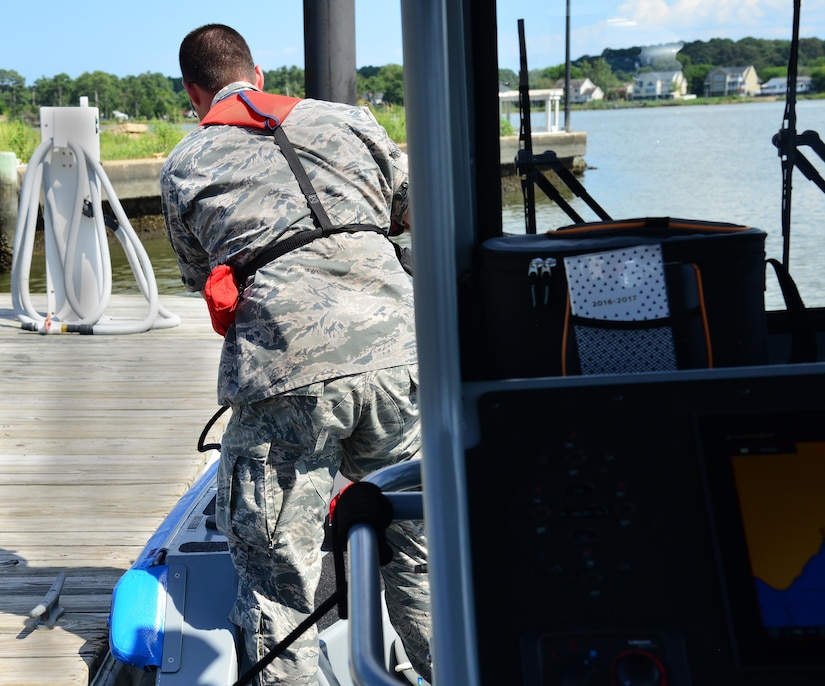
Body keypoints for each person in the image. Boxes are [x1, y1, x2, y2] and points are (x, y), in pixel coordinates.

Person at [160, 24, 430, 685]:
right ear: (257, 72)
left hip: (287, 369)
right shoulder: (351, 122)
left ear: (194, 93)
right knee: (420, 553)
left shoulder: (185, 164)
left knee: (276, 577)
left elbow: (203, 273)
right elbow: (408, 210)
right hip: (398, 348)